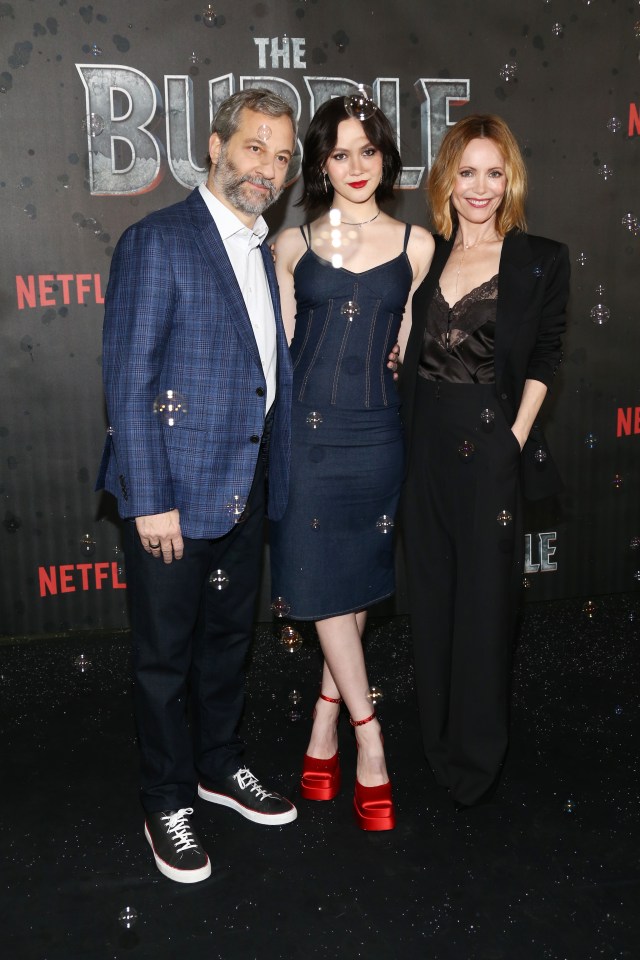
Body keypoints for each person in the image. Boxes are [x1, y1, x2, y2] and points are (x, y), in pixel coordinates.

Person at [97, 89, 299, 884]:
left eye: (282, 157)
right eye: (254, 148)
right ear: (214, 147)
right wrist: (149, 498)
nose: (269, 169)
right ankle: (166, 797)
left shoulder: (265, 248)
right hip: (172, 499)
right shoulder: (160, 241)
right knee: (163, 661)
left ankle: (218, 764)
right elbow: (129, 378)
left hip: (244, 488)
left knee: (227, 644)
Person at [269, 96, 434, 830]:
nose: (357, 166)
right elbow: (276, 355)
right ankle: (371, 740)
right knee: (322, 584)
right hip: (307, 437)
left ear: (385, 157)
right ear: (320, 163)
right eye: (340, 154)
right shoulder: (291, 244)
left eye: (368, 150)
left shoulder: (418, 246)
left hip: (378, 437)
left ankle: (324, 720)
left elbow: (408, 346)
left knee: (359, 582)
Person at [400, 114, 570, 809]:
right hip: (424, 445)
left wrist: (514, 438)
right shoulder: (422, 254)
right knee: (433, 598)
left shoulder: (540, 259)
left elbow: (546, 356)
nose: (480, 187)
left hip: (493, 442)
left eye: (493, 173)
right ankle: (436, 743)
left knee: (487, 605)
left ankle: (478, 756)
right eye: (466, 172)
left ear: (510, 180)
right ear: (447, 177)